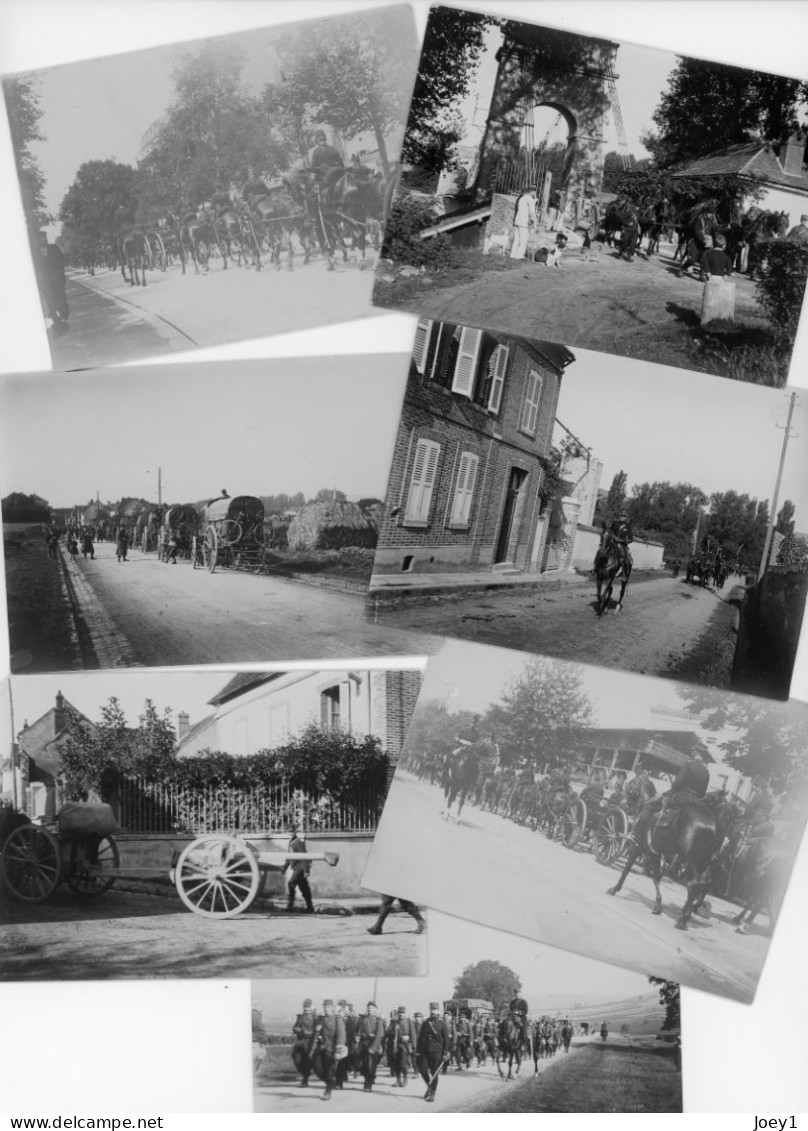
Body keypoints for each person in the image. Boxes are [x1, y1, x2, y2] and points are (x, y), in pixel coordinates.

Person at [630, 745, 710, 845]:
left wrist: (667, 795)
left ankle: (638, 836)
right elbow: (702, 793)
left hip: (681, 797)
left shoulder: (690, 764)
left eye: (693, 751)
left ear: (697, 752)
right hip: (694, 803)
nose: (691, 752)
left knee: (650, 806)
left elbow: (677, 783)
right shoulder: (706, 770)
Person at [35, 231, 69, 334]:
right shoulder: (34, 253)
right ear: (37, 241)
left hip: (57, 280)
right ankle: (57, 321)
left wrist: (58, 274)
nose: (44, 240)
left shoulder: (54, 248)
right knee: (50, 302)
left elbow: (62, 261)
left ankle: (64, 319)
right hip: (45, 282)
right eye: (41, 238)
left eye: (45, 238)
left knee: (61, 299)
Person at [312, 999, 347, 1100]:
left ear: (332, 1008)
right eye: (324, 1007)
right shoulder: (320, 1019)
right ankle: (330, 1082)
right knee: (317, 1068)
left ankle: (328, 1090)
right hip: (321, 1049)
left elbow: (341, 1036)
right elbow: (316, 1033)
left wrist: (338, 1051)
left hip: (332, 1050)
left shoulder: (337, 1020)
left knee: (329, 1071)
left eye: (328, 1007)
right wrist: (317, 1031)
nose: (326, 1009)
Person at [417, 1003, 450, 1103]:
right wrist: (417, 1051)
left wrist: (445, 1053)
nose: (433, 1011)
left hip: (437, 1052)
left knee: (434, 1073)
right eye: (431, 1009)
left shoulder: (442, 1024)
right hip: (424, 1051)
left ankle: (432, 1093)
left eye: (435, 1010)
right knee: (422, 1070)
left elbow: (446, 1040)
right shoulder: (425, 1023)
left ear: (438, 1011)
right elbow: (420, 1038)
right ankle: (429, 1086)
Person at [355, 1000, 386, 1093]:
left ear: (375, 1010)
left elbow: (380, 1034)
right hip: (363, 1044)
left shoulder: (378, 1020)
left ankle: (368, 1084)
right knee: (359, 1064)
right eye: (368, 1007)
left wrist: (373, 1047)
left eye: (372, 1008)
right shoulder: (362, 1020)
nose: (369, 1009)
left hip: (373, 1045)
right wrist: (356, 1037)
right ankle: (369, 1077)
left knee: (370, 1065)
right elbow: (356, 1031)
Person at [286, 828, 315, 914]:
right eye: (289, 831)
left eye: (292, 831)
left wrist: (306, 871)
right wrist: (284, 867)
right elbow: (288, 856)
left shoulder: (299, 843)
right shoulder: (290, 842)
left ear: (295, 832)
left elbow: (303, 857)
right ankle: (310, 907)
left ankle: (290, 906)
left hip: (300, 868)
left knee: (291, 883)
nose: (290, 833)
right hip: (296, 868)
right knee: (304, 887)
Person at [292, 998, 316, 1087]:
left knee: (307, 1061)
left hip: (310, 1042)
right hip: (300, 1041)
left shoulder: (315, 1018)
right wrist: (296, 1029)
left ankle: (305, 1080)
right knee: (296, 1059)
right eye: (305, 1007)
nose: (306, 1009)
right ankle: (305, 1074)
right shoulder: (300, 1017)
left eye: (308, 1007)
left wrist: (308, 1033)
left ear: (311, 1008)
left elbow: (316, 1031)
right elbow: (294, 1027)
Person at [391, 1006, 417, 1086]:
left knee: (403, 1063)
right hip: (396, 1045)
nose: (401, 1014)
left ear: (405, 1013)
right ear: (398, 1013)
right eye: (400, 1013)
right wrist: (394, 1030)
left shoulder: (409, 1022)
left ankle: (405, 1079)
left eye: (403, 1013)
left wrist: (414, 1045)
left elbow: (413, 1034)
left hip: (405, 1045)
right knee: (396, 1064)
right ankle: (398, 1080)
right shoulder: (394, 1022)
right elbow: (389, 1033)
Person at [509, 185, 537, 260]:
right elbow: (532, 212)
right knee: (523, 240)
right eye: (534, 191)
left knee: (516, 239)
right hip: (524, 222)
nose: (535, 193)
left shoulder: (521, 198)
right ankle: (519, 255)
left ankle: (512, 254)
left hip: (518, 221)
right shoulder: (530, 199)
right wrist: (532, 221)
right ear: (532, 192)